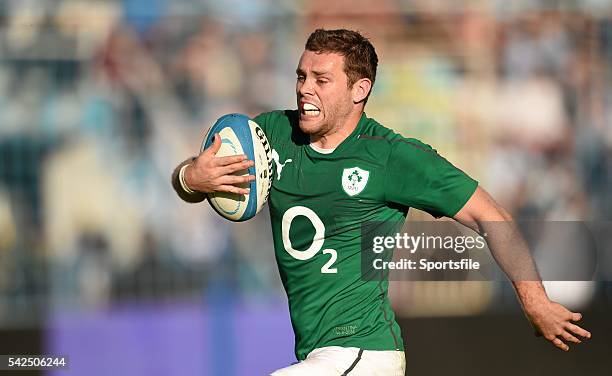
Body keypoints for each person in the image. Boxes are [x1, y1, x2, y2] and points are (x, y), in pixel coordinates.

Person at [172, 29, 591, 375]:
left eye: (321, 80)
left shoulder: (391, 157)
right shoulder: (271, 134)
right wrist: (192, 176)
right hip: (317, 354)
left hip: (364, 354)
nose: (304, 90)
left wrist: (535, 300)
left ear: (360, 89)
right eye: (301, 76)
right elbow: (192, 180)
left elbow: (491, 216)